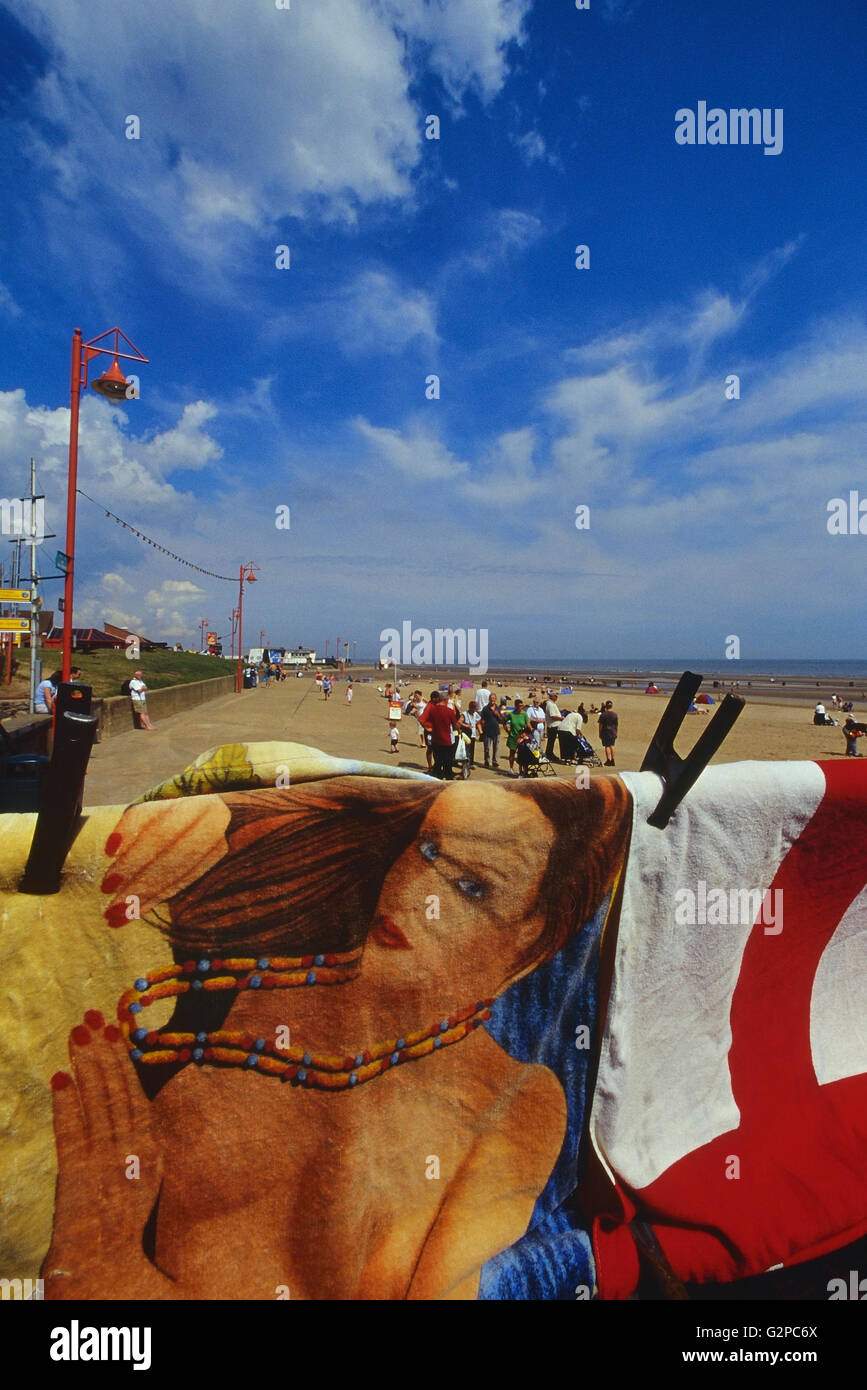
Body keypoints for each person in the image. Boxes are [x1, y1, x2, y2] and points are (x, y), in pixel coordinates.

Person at [48, 773, 630, 1300]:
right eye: (426, 850)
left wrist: (112, 1277)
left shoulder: (514, 1104)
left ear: (532, 947)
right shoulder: (285, 952)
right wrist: (231, 812)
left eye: (471, 887)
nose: (413, 894)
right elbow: (312, 780)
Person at [420, 690, 459, 780]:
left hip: (436, 740)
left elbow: (421, 719)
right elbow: (455, 725)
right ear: (445, 700)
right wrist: (459, 731)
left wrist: (428, 728)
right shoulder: (449, 711)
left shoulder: (432, 710)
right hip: (447, 741)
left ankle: (437, 778)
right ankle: (447, 779)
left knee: (438, 761)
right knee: (447, 762)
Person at [505, 699, 531, 775]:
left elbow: (528, 723)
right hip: (513, 736)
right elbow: (504, 721)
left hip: (522, 737)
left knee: (522, 754)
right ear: (516, 706)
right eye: (519, 706)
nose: (521, 707)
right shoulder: (511, 714)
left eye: (522, 706)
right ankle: (511, 768)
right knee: (512, 753)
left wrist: (530, 730)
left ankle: (522, 770)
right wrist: (507, 730)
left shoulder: (524, 714)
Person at [480, 693, 505, 769]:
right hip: (487, 731)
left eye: (493, 698)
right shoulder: (485, 708)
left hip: (496, 731)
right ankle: (487, 760)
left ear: (495, 699)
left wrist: (498, 714)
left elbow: (502, 720)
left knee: (495, 747)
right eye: (491, 698)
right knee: (487, 748)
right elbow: (482, 720)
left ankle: (494, 761)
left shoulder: (498, 708)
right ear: (489, 699)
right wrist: (483, 729)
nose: (492, 700)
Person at [543, 692, 563, 761]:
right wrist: (561, 718)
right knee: (551, 741)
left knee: (552, 741)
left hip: (554, 725)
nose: (557, 697)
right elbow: (552, 716)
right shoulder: (550, 704)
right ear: (552, 697)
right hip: (552, 725)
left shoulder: (552, 704)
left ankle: (549, 753)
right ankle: (549, 754)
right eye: (555, 696)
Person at [598, 700, 618, 767]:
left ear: (606, 706)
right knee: (612, 746)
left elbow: (600, 725)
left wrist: (599, 733)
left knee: (607, 746)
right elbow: (616, 725)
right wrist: (616, 732)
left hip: (606, 731)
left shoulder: (603, 714)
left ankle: (608, 760)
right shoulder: (614, 714)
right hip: (613, 731)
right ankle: (613, 759)